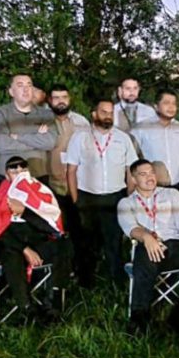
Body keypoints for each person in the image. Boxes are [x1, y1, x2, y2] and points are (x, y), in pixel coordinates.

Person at [117, 159, 179, 330]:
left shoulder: (172, 194)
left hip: (176, 245)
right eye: (143, 174)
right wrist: (147, 237)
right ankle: (139, 317)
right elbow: (130, 228)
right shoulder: (126, 203)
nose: (150, 177)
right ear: (134, 179)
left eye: (151, 172)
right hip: (149, 248)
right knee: (144, 253)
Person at [0, 156, 71, 320]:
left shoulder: (40, 193)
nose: (19, 172)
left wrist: (25, 211)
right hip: (11, 244)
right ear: (7, 175)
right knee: (11, 255)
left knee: (63, 244)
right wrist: (24, 249)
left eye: (23, 168)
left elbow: (51, 227)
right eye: (14, 169)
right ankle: (26, 308)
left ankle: (53, 303)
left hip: (37, 240)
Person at [65, 99, 138, 284]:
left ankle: (116, 283)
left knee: (113, 242)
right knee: (87, 243)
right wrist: (76, 200)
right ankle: (86, 282)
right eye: (104, 112)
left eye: (111, 112)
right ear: (94, 114)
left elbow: (131, 170)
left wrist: (128, 198)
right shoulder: (80, 137)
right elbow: (71, 170)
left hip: (115, 197)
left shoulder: (123, 138)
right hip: (87, 197)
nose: (108, 116)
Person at [0, 73, 58, 179]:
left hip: (38, 176)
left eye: (29, 85)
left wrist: (18, 137)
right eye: (20, 85)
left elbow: (50, 143)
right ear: (11, 92)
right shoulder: (0, 114)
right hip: (7, 177)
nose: (26, 90)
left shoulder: (46, 114)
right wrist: (37, 139)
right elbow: (2, 145)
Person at [130, 89, 179, 197]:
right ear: (156, 106)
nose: (171, 107)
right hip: (151, 187)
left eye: (174, 103)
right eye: (166, 103)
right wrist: (132, 189)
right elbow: (131, 161)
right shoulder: (140, 129)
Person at [47, 84, 89, 236]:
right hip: (51, 185)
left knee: (80, 229)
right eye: (56, 98)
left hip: (77, 185)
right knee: (56, 230)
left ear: (69, 99)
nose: (61, 101)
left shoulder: (81, 122)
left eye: (64, 97)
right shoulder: (43, 122)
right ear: (50, 100)